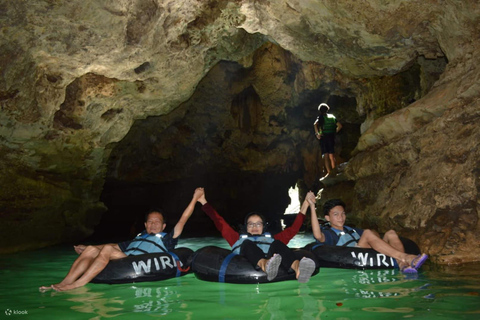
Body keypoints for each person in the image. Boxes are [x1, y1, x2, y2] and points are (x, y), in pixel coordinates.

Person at [39, 187, 204, 292]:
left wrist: (195, 198)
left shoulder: (168, 239)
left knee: (107, 250)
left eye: (157, 222)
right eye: (150, 222)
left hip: (135, 262)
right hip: (124, 257)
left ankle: (78, 284)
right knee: (92, 249)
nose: (153, 225)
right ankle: (64, 282)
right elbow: (114, 245)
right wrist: (89, 246)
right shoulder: (140, 237)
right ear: (146, 224)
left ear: (163, 226)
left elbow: (183, 218)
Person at [197, 190, 317, 283]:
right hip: (247, 260)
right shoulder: (236, 238)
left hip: (273, 257)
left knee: (277, 243)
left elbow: (293, 229)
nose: (254, 226)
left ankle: (298, 268)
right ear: (246, 227)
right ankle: (265, 265)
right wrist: (203, 201)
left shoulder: (272, 239)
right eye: (251, 224)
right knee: (247, 243)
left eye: (258, 224)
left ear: (263, 227)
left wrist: (306, 203)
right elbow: (219, 221)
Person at [309, 197, 428, 273]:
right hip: (353, 253)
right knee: (367, 232)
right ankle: (406, 257)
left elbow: (373, 235)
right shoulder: (330, 233)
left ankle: (402, 264)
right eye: (336, 214)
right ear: (327, 218)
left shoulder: (351, 230)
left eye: (343, 213)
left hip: (366, 249)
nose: (341, 217)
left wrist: (373, 237)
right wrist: (312, 207)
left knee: (390, 233)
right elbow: (318, 236)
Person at [314, 103, 342, 177]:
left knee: (326, 156)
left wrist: (317, 134)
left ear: (320, 110)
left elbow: (315, 124)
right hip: (331, 137)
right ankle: (334, 171)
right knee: (332, 156)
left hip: (324, 138)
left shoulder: (320, 117)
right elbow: (340, 126)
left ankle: (329, 173)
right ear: (327, 109)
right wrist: (334, 131)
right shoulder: (332, 117)